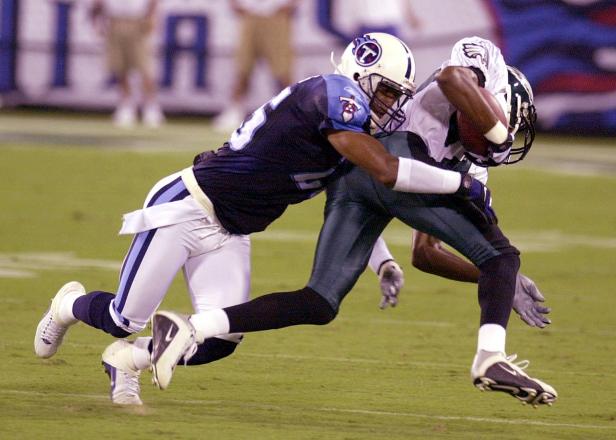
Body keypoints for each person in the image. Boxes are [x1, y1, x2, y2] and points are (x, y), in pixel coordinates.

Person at [34, 33, 500, 405]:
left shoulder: (349, 129)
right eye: (388, 91)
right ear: (363, 74)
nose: (392, 104)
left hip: (231, 231)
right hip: (187, 207)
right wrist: (462, 184)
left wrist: (382, 263)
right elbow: (386, 171)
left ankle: (126, 363)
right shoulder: (334, 93)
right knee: (122, 317)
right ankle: (68, 305)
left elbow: (354, 197)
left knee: (223, 333)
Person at [150, 37, 557, 407]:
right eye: (505, 123)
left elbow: (425, 253)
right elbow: (452, 76)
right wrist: (498, 134)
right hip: (392, 163)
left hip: (356, 182)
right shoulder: (470, 80)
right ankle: (490, 358)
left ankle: (187, 330)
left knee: (319, 301)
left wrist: (494, 282)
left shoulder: (470, 165)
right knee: (503, 256)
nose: (504, 140)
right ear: (492, 103)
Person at [213, 0, 298, 132]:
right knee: (243, 67)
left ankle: (293, 113)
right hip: (250, 13)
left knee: (282, 70)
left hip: (276, 14)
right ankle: (234, 110)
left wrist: (290, 4)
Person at [91, 0, 165, 128]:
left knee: (144, 67)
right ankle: (126, 105)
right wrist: (97, 20)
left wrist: (152, 16)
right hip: (115, 20)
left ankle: (151, 106)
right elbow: (98, 4)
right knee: (120, 67)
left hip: (138, 20)